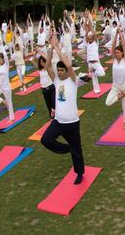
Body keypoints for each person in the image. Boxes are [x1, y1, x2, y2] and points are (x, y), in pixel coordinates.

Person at [40, 34, 85, 185]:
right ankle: (67, 149)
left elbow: (69, 65)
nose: (59, 72)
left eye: (61, 70)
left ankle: (79, 173)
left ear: (66, 71)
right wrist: (51, 48)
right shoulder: (56, 80)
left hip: (72, 122)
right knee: (45, 140)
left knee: (77, 150)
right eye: (58, 70)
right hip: (59, 121)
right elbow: (46, 67)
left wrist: (58, 48)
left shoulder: (74, 81)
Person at [106, 30, 125, 128]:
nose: (116, 54)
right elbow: (112, 47)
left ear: (122, 53)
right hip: (115, 87)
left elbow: (124, 46)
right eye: (115, 53)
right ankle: (120, 96)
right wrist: (116, 34)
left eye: (118, 53)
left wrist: (121, 35)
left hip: (124, 86)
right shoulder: (114, 60)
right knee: (108, 103)